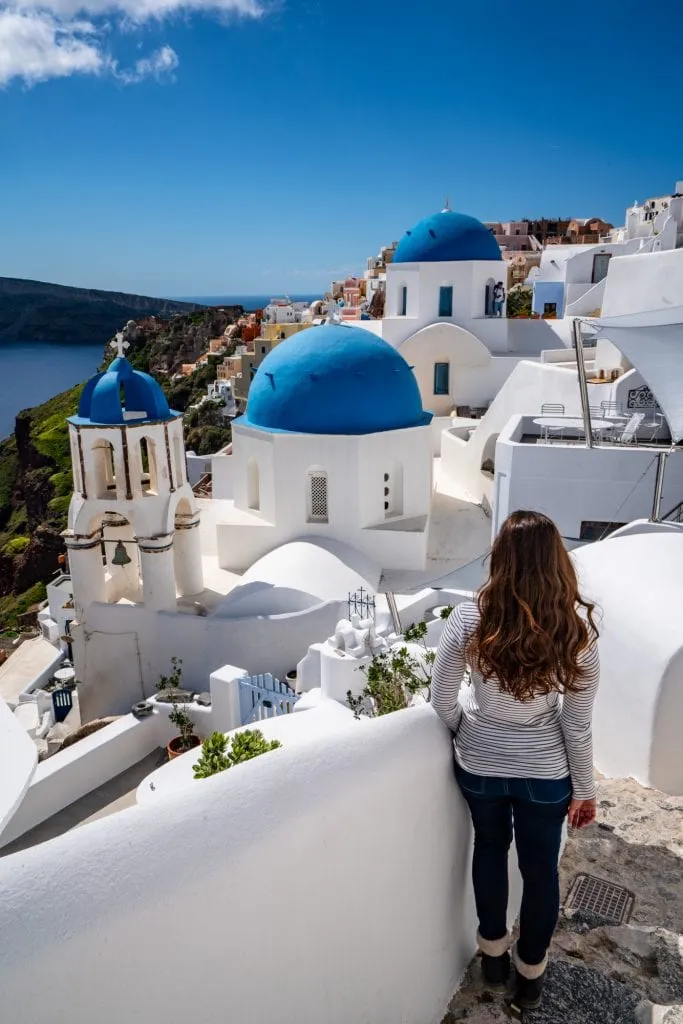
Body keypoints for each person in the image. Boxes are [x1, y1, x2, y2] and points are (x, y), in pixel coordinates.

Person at [431, 510, 599, 1012]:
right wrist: (585, 789)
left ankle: (492, 956)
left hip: (480, 766)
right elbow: (577, 724)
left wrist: (474, 732)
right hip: (545, 774)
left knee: (489, 850)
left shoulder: (468, 619)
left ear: (500, 560)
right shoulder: (578, 634)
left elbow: (441, 700)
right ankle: (529, 976)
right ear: (557, 564)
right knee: (540, 871)